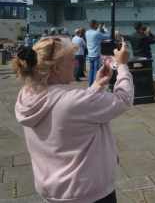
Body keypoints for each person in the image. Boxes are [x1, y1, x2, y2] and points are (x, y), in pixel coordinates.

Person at [13, 36, 132, 203]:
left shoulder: (27, 96)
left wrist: (96, 85)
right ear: (55, 69)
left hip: (53, 191)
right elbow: (124, 100)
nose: (76, 64)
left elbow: (70, 110)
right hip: (89, 193)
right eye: (71, 60)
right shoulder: (73, 100)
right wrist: (122, 65)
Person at [85, 20, 110, 86]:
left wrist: (99, 28)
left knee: (91, 71)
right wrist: (105, 28)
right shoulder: (97, 33)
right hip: (96, 55)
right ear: (95, 25)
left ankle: (90, 85)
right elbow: (108, 36)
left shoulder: (87, 32)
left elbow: (96, 35)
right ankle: (94, 85)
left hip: (90, 55)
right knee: (96, 72)